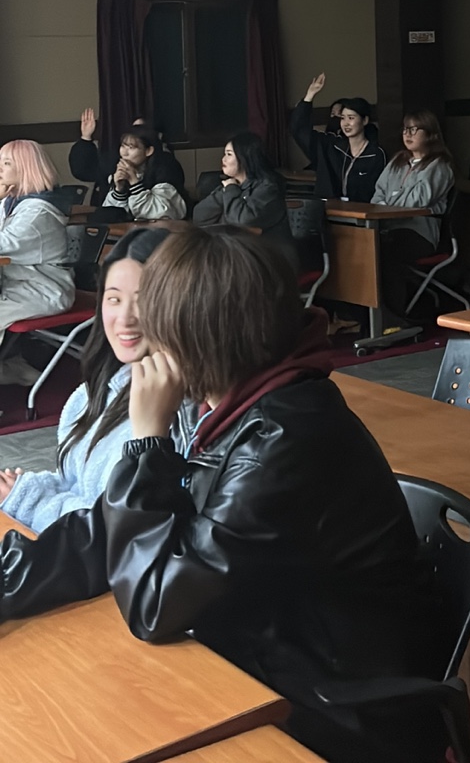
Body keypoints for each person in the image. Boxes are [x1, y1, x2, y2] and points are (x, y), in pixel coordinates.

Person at [0, 227, 442, 763]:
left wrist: (147, 443)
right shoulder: (243, 404)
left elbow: (155, 605)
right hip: (262, 655)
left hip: (331, 709)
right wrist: (10, 578)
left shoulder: (282, 439)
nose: (146, 348)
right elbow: (110, 533)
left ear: (202, 339)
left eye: (161, 330)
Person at [0, 228, 172, 531]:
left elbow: (119, 533)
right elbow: (75, 485)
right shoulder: (93, 393)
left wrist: (28, 499)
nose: (125, 318)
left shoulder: (178, 413)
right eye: (114, 299)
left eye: (143, 300)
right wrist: (24, 488)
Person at [0, 140, 74, 385]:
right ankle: (14, 368)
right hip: (18, 284)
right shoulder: (12, 202)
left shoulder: (39, 212)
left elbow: (3, 243)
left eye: (6, 163)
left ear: (26, 168)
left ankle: (13, 369)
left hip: (44, 290)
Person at [371, 111, 455, 318]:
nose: (407, 134)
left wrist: (388, 204)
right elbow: (377, 194)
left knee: (385, 252)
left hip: (420, 234)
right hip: (389, 227)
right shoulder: (398, 161)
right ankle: (366, 315)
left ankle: (393, 318)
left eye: (414, 129)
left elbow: (417, 201)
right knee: (364, 248)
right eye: (405, 129)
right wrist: (389, 204)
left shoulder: (439, 166)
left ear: (431, 134)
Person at [192, 131, 296, 268]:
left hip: (272, 258)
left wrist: (230, 191)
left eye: (229, 154)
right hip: (242, 254)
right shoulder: (231, 184)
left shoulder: (268, 188)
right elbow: (199, 216)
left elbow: (243, 221)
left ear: (244, 158)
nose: (223, 159)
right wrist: (227, 191)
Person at [291, 75, 386, 202]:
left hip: (361, 211)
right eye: (342, 118)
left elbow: (379, 192)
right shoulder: (332, 145)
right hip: (330, 209)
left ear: (365, 120)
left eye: (351, 118)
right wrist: (309, 96)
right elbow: (299, 130)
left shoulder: (376, 154)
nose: (346, 123)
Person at [100, 126, 186, 221]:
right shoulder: (118, 170)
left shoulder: (164, 169)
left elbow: (161, 213)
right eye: (123, 146)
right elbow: (109, 214)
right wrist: (119, 190)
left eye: (131, 147)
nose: (124, 153)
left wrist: (135, 183)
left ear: (148, 151)